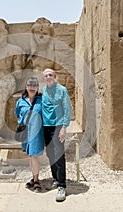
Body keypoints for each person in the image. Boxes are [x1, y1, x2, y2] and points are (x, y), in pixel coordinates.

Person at [42, 68, 71, 202]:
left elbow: (67, 108)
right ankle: (55, 178)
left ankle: (62, 185)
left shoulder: (62, 90)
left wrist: (64, 127)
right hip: (46, 127)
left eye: (50, 75)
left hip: (58, 126)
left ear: (55, 76)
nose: (48, 77)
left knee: (59, 155)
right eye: (46, 75)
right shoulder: (44, 90)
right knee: (50, 154)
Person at [15, 77, 44, 192]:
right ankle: (33, 177)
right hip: (25, 132)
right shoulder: (20, 101)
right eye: (29, 85)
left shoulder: (42, 100)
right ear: (26, 87)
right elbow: (18, 113)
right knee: (30, 155)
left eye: (34, 85)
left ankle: (36, 180)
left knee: (34, 155)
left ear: (37, 88)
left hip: (37, 133)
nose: (32, 87)